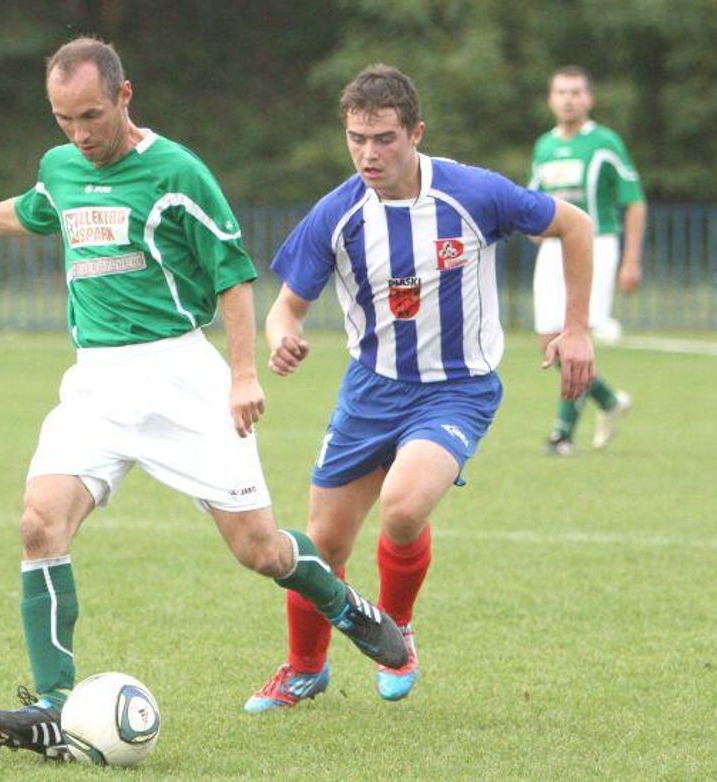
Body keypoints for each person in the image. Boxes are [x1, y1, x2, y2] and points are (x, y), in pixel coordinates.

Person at [0, 38, 407, 760]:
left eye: (91, 115)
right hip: (96, 382)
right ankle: (50, 706)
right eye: (64, 119)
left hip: (179, 378)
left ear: (125, 97)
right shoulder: (63, 167)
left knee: (258, 549)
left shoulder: (176, 171)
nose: (79, 134)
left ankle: (346, 607)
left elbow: (231, 272)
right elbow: (35, 211)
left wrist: (244, 374)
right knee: (39, 524)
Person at [243, 64, 596, 712]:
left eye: (383, 138)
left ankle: (395, 627)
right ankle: (304, 668)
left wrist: (576, 329)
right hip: (370, 390)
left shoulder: (472, 193)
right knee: (323, 544)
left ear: (415, 133)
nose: (369, 154)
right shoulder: (338, 213)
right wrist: (280, 334)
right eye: (357, 139)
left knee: (404, 508)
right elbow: (285, 305)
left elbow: (573, 225)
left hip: (457, 389)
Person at [529, 65, 646, 456]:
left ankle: (562, 434)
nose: (568, 99)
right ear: (550, 98)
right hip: (551, 250)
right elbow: (534, 199)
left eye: (576, 92)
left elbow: (634, 200)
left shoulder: (605, 142)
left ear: (589, 98)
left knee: (575, 337)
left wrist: (631, 260)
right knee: (549, 340)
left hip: (597, 245)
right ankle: (610, 401)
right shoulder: (544, 146)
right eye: (561, 92)